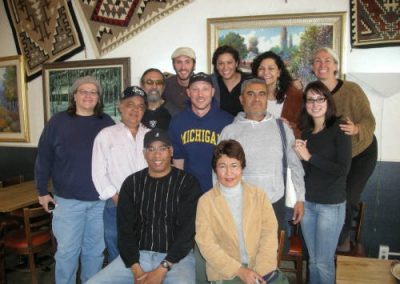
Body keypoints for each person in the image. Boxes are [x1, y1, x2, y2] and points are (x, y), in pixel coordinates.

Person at [86, 129, 202, 284]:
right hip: (136, 258)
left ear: (171, 151)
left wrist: (163, 268)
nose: (157, 155)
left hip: (176, 260)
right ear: (144, 153)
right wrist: (136, 270)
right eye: (151, 149)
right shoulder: (132, 183)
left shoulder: (188, 183)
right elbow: (125, 230)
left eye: (162, 148)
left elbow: (187, 232)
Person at [35, 76, 115, 284]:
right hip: (68, 203)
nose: (88, 95)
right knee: (67, 254)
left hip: (99, 202)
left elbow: (116, 160)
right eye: (83, 91)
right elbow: (43, 157)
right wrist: (42, 191)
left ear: (99, 97)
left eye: (93, 92)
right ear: (74, 95)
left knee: (95, 253)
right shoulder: (58, 122)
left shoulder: (106, 123)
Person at [312, 47, 377, 251]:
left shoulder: (351, 89)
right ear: (313, 67)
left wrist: (357, 128)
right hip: (333, 157)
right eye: (318, 61)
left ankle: (340, 244)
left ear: (336, 66)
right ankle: (324, 243)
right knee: (329, 197)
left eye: (327, 60)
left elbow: (369, 119)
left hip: (360, 152)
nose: (323, 64)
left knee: (348, 196)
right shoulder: (312, 92)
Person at [196, 139, 288, 284]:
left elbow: (269, 235)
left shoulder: (259, 196)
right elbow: (207, 245)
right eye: (222, 166)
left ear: (242, 168)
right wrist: (240, 271)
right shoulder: (205, 202)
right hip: (226, 271)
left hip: (260, 267)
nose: (228, 173)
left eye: (234, 165)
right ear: (215, 169)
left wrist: (259, 272)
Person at [219, 78, 305, 232]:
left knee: (272, 253)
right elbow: (218, 171)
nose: (256, 99)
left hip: (274, 203)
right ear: (241, 99)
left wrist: (300, 199)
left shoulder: (282, 129)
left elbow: (295, 165)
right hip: (239, 204)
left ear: (267, 99)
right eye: (250, 94)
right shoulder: (229, 131)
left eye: (261, 94)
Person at [294, 81, 352, 284]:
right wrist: (300, 158)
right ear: (305, 104)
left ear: (328, 101)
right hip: (309, 205)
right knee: (312, 262)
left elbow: (342, 170)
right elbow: (308, 173)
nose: (315, 104)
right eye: (310, 99)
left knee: (324, 263)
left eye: (320, 98)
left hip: (331, 206)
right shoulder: (307, 133)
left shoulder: (340, 127)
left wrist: (310, 157)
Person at [92, 86, 149, 262]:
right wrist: (115, 196)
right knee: (116, 249)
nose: (135, 110)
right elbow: (98, 171)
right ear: (120, 107)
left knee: (143, 249)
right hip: (115, 204)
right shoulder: (106, 135)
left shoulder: (150, 135)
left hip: (145, 205)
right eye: (130, 105)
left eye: (140, 106)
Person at [168, 72, 233, 193]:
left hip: (221, 191)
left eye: (205, 89)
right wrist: (181, 189)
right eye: (195, 89)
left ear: (213, 92)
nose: (200, 95)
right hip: (189, 191)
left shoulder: (228, 121)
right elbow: (178, 160)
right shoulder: (177, 122)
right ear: (188, 92)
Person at [251, 51, 303, 138]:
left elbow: (304, 128)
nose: (266, 72)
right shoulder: (249, 96)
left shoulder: (295, 96)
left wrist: (289, 127)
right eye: (261, 69)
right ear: (256, 72)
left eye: (271, 68)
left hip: (286, 148)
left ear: (279, 72)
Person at [211, 45, 252, 116]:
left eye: (229, 63)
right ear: (216, 66)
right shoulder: (211, 82)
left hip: (245, 126)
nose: (225, 67)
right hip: (219, 126)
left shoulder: (250, 81)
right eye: (221, 64)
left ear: (236, 63)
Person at [163, 47, 196, 114]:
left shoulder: (204, 85)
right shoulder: (166, 85)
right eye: (179, 62)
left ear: (194, 65)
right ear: (173, 65)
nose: (183, 67)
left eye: (187, 62)